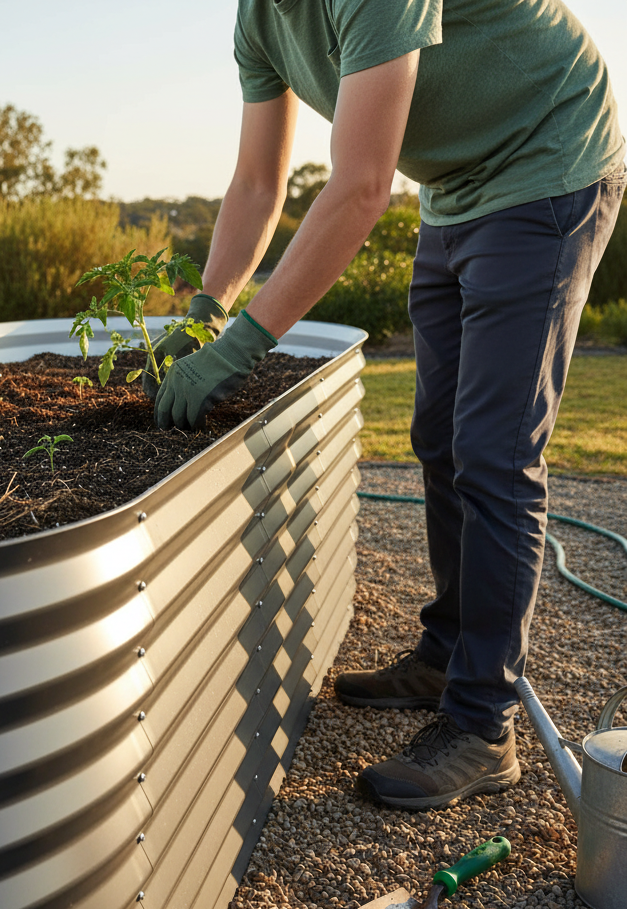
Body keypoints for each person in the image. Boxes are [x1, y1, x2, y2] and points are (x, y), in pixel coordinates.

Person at [148, 0, 625, 810]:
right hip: (455, 190)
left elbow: (364, 184)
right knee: (437, 437)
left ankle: (482, 727)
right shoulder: (259, 19)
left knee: (496, 454)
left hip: (547, 161)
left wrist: (242, 348)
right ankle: (446, 655)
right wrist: (207, 309)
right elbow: (259, 182)